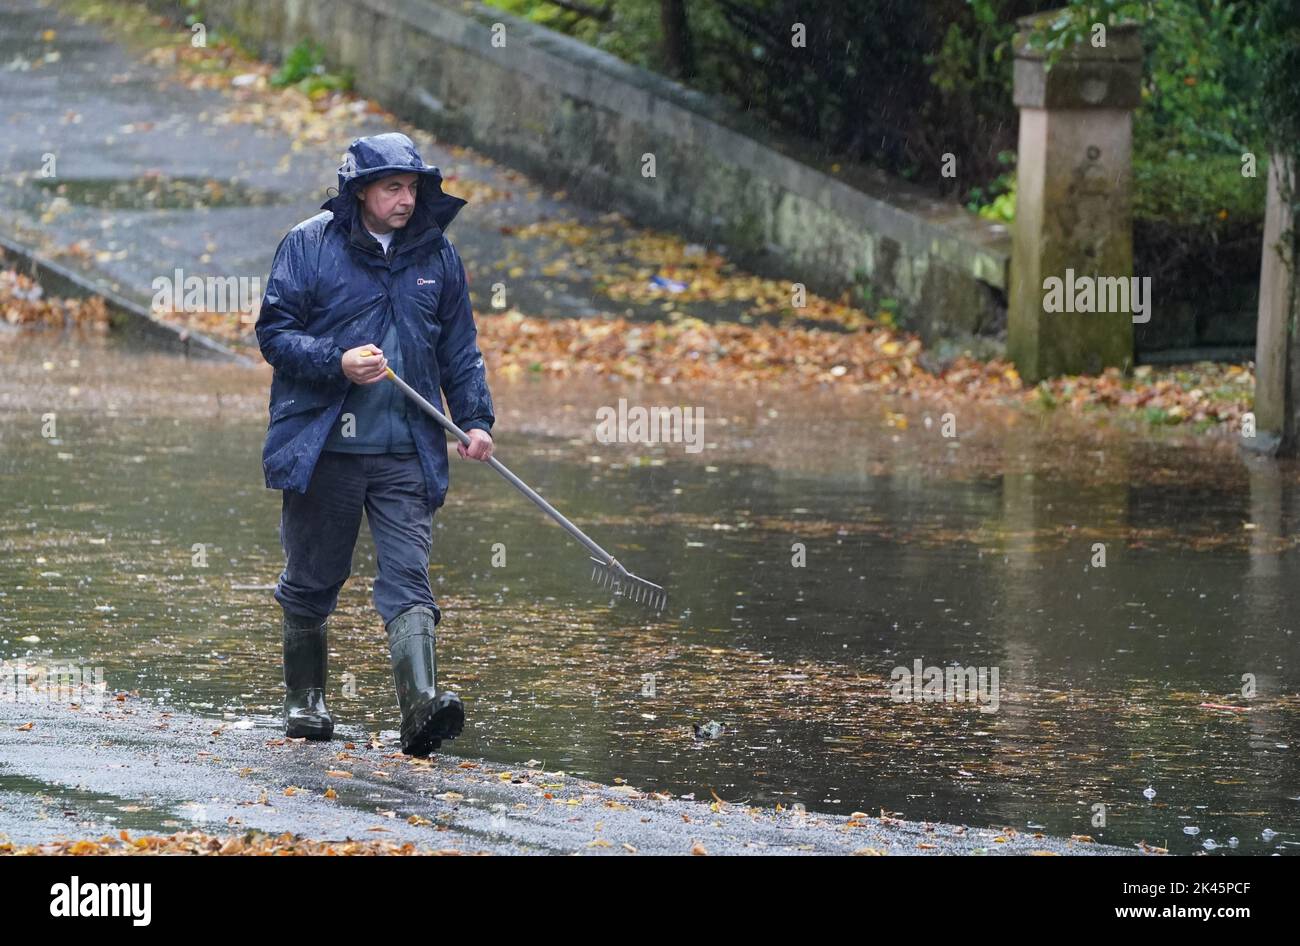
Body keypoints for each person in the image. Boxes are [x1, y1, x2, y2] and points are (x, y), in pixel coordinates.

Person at [254, 132, 495, 756]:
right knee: (312, 578)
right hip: (323, 446)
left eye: (412, 187)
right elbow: (275, 335)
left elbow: (460, 349)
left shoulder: (436, 256)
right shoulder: (308, 244)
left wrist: (475, 420)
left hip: (406, 450)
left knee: (409, 578)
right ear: (360, 190)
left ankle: (421, 709)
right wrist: (337, 361)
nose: (406, 200)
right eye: (393, 187)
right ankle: (305, 703)